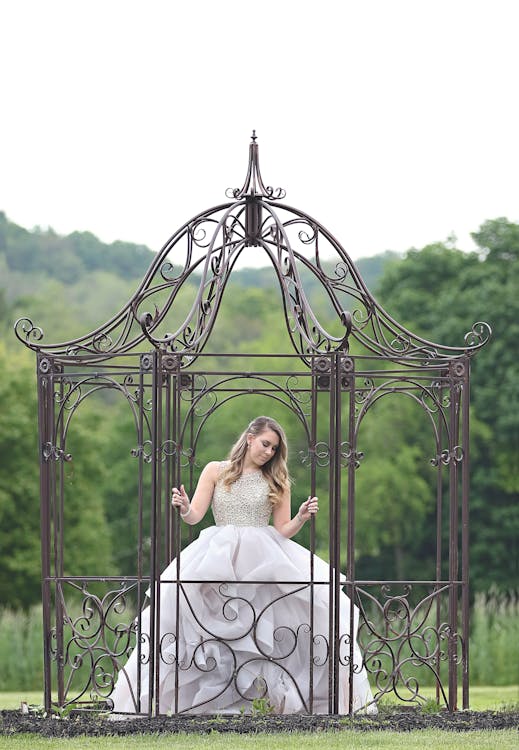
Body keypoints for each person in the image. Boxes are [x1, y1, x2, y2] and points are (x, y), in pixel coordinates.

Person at [110, 416, 376, 715]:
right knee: (205, 622)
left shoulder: (277, 481)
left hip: (263, 556)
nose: (269, 452)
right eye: (265, 444)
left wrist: (300, 517)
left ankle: (269, 699)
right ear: (249, 438)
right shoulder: (215, 470)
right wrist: (184, 507)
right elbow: (195, 516)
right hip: (216, 554)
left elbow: (282, 530)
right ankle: (205, 699)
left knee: (267, 625)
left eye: (274, 449)